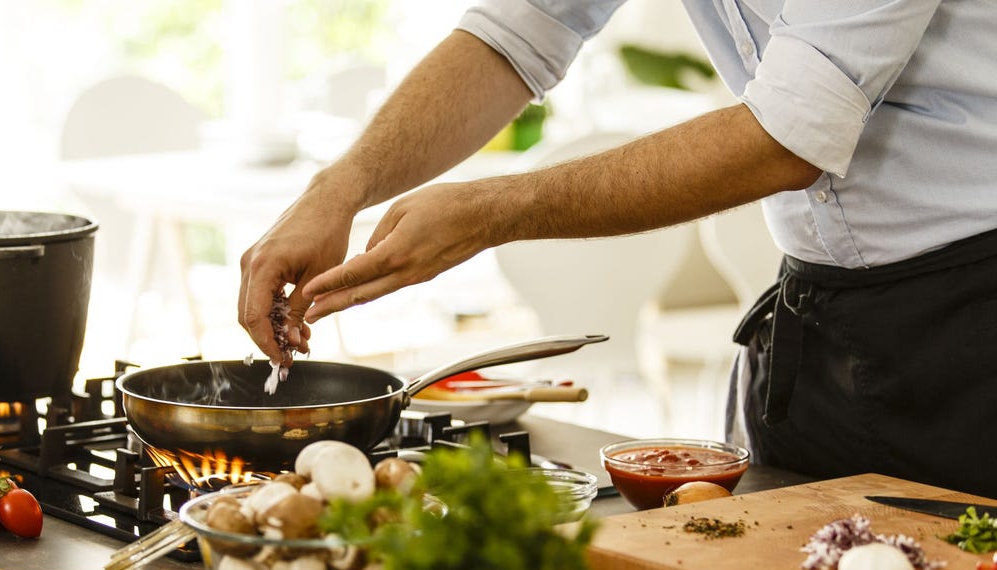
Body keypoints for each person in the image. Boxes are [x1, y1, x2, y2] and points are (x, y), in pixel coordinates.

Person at [238, 2, 997, 498]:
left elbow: (789, 133)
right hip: (816, 318)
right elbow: (523, 27)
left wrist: (496, 209)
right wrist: (338, 189)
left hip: (976, 319)